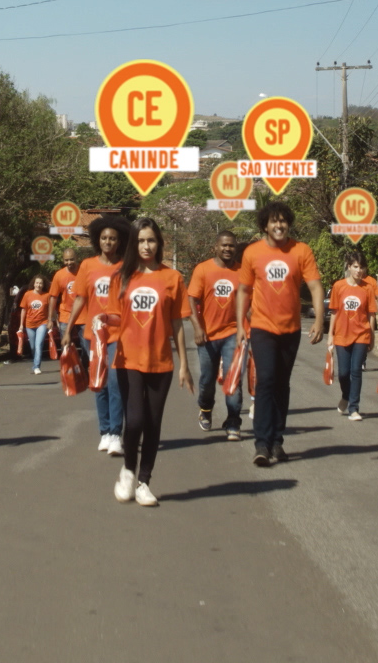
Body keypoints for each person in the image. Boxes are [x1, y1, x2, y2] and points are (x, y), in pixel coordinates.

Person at [110, 218, 194, 506]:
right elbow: (114, 316)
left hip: (161, 363)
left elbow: (177, 323)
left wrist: (184, 363)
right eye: (141, 241)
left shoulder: (173, 278)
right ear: (133, 244)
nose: (146, 246)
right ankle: (128, 471)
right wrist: (101, 321)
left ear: (159, 243)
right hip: (128, 359)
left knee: (153, 422)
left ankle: (145, 481)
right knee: (134, 421)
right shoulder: (122, 277)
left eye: (151, 240)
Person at [236, 201, 324, 467]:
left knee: (282, 385)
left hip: (291, 329)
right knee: (266, 380)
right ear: (265, 225)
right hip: (262, 327)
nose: (279, 225)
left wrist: (320, 320)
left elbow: (316, 287)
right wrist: (241, 324)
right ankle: (261, 443)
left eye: (283, 221)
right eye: (274, 221)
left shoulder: (301, 250)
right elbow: (243, 291)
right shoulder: (252, 253)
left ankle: (277, 441)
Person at [68, 216, 131, 456]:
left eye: (113, 238)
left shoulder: (126, 265)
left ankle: (116, 433)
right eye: (104, 237)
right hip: (91, 335)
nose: (108, 241)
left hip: (117, 334)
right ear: (98, 240)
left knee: (115, 382)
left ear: (119, 241)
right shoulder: (87, 266)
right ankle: (104, 432)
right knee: (99, 383)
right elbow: (80, 298)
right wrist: (68, 329)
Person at [185, 231, 248, 439]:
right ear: (216, 247)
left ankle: (233, 421)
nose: (228, 249)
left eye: (231, 246)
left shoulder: (243, 272)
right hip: (208, 335)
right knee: (207, 380)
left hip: (233, 334)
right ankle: (205, 409)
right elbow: (191, 300)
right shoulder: (203, 269)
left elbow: (251, 303)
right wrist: (197, 327)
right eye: (224, 245)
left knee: (234, 379)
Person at [329, 253, 378, 421]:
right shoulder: (338, 286)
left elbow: (371, 314)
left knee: (356, 371)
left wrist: (371, 336)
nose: (359, 270)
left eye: (362, 267)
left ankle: (354, 408)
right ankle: (345, 395)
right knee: (343, 373)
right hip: (342, 334)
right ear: (349, 267)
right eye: (356, 267)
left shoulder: (368, 288)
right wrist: (330, 335)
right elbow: (335, 312)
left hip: (361, 335)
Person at [19, 272, 52, 375]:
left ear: (43, 285)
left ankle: (36, 366)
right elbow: (23, 310)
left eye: (40, 283)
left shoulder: (47, 296)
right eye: (37, 283)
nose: (38, 285)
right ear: (34, 283)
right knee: (33, 347)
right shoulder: (27, 294)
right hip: (29, 325)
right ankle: (35, 364)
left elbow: (52, 310)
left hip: (42, 323)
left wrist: (52, 322)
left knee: (38, 344)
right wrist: (21, 325)